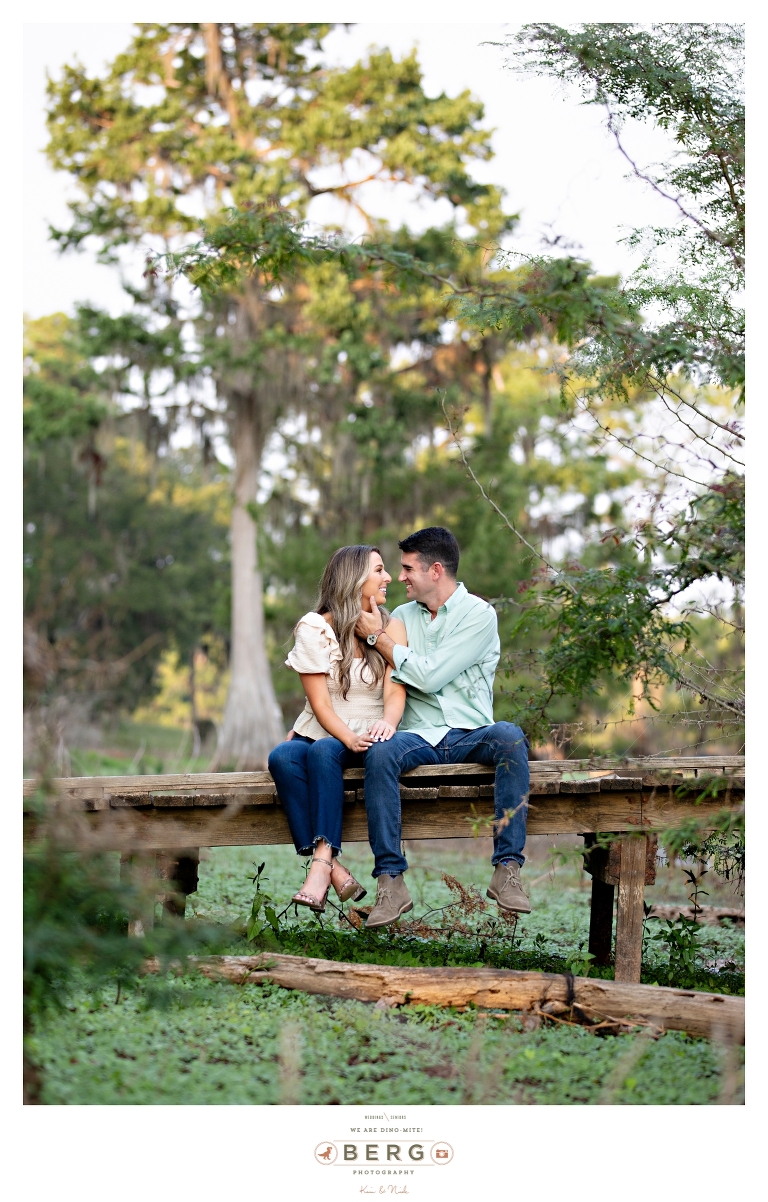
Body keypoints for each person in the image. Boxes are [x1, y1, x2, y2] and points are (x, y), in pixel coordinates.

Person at [354, 526, 530, 928]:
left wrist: (378, 639)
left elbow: (431, 676)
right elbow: (397, 679)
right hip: (418, 736)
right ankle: (390, 880)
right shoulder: (401, 617)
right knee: (381, 753)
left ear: (435, 570)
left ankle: (507, 869)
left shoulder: (479, 615)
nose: (400, 577)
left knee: (510, 736)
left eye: (407, 569)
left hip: (471, 733)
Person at [268, 545, 408, 913]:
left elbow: (397, 690)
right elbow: (320, 705)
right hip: (324, 727)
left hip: (365, 735)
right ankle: (332, 867)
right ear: (355, 578)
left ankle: (320, 867)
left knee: (323, 751)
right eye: (379, 570)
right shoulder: (315, 628)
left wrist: (381, 729)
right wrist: (348, 737)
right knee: (282, 756)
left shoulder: (392, 627)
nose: (388, 577)